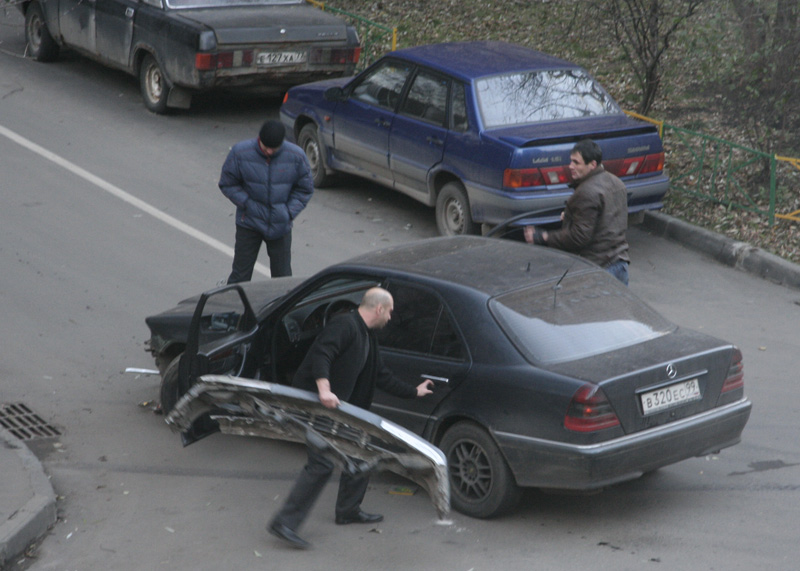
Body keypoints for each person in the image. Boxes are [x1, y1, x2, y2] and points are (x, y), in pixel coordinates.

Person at [268, 287, 434, 550]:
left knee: (362, 453)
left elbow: (381, 375)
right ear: (379, 309)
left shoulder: (368, 335)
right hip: (318, 406)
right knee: (321, 464)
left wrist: (414, 391)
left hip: (345, 411)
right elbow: (323, 354)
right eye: (390, 311)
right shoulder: (343, 325)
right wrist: (324, 389)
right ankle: (285, 523)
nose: (391, 317)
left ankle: (347, 510)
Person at [523, 139, 631, 285]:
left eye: (576, 163)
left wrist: (543, 236)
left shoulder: (587, 192)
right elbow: (606, 219)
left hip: (597, 270)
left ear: (592, 164)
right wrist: (571, 217)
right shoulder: (616, 182)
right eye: (571, 161)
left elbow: (579, 237)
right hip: (620, 266)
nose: (570, 166)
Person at [219, 119, 313, 283]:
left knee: (282, 279)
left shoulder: (296, 156)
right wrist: (247, 204)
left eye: (274, 148)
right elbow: (228, 183)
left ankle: (281, 308)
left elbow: (304, 189)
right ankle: (234, 307)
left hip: (280, 225)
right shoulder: (240, 153)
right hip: (249, 223)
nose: (269, 151)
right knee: (240, 276)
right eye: (265, 147)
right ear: (259, 140)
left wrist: (288, 212)